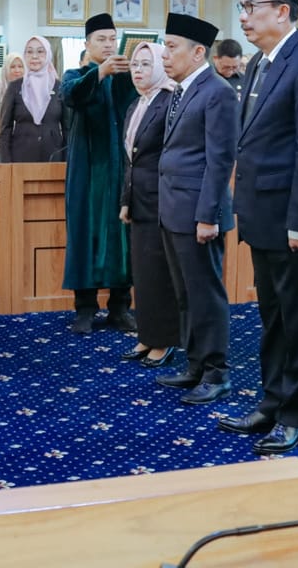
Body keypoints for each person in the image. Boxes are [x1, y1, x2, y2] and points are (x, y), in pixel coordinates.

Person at [217, 0, 298, 455]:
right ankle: (271, 401)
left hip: (293, 221)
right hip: (262, 215)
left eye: (252, 7)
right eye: (242, 9)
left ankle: (296, 413)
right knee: (272, 317)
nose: (244, 17)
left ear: (282, 11)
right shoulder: (262, 64)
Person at [151, 14, 240, 404]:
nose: (164, 55)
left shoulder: (216, 91)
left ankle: (216, 373)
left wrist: (207, 216)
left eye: (172, 47)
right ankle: (195, 364)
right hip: (174, 209)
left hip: (198, 214)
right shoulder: (181, 89)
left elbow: (219, 160)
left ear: (198, 51)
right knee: (185, 293)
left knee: (206, 294)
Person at [61, 13, 138, 334]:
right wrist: (99, 74)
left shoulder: (128, 77)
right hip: (86, 173)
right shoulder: (75, 75)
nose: (108, 45)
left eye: (111, 39)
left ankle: (120, 308)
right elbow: (71, 97)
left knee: (122, 238)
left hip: (122, 171)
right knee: (84, 235)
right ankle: (85, 309)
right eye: (101, 40)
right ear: (87, 44)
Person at [118, 42, 178, 369]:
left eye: (145, 64)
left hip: (162, 200)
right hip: (139, 200)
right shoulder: (135, 105)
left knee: (160, 273)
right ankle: (147, 334)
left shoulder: (169, 101)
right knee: (141, 272)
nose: (138, 71)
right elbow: (130, 161)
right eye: (134, 65)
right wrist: (125, 200)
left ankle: (164, 339)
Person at [0, 36, 64, 163]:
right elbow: (5, 129)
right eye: (29, 52)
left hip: (54, 158)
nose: (34, 56)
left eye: (40, 51)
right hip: (21, 157)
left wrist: (67, 161)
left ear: (48, 54)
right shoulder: (15, 87)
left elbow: (67, 129)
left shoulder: (59, 87)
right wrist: (6, 164)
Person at [0, 52, 23, 143]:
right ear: (6, 69)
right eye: (12, 67)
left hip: (24, 142)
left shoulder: (31, 91)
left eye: (20, 66)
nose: (17, 70)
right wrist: (3, 134)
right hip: (0, 142)